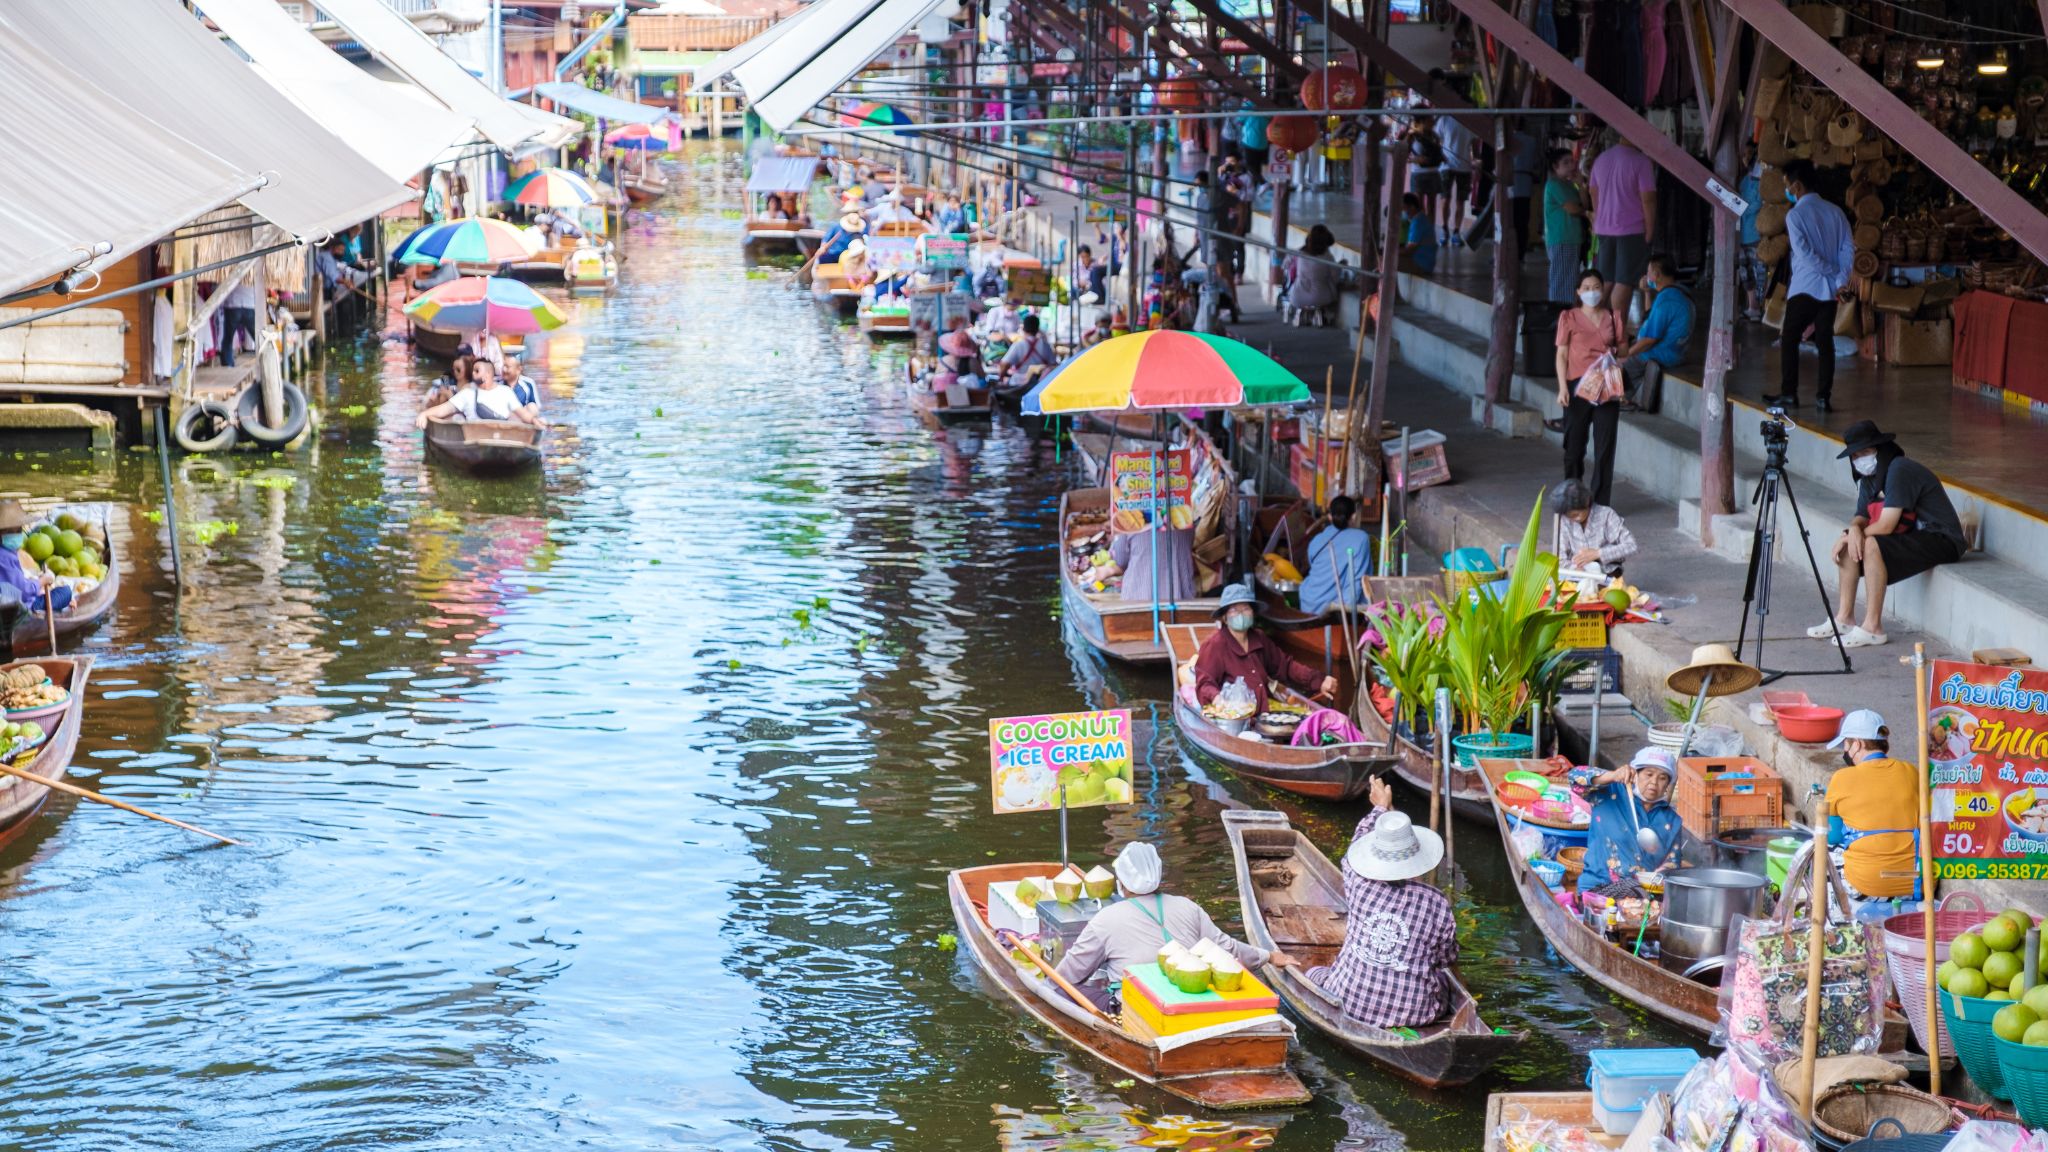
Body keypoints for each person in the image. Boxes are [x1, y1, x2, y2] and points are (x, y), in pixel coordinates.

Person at [1052, 842, 1295, 1012]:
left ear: (1121, 883)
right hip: (1192, 1001)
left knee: (1061, 990)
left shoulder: (1106, 919)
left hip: (1138, 1008)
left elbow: (1068, 975)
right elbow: (1227, 949)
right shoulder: (1187, 906)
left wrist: (1043, 986)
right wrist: (1270, 956)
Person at [1307, 777, 1456, 1028]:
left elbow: (1356, 841)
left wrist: (1380, 807)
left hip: (1350, 1003)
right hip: (1417, 1013)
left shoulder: (1358, 883)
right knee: (1442, 981)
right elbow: (1446, 958)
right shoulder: (1436, 903)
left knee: (1313, 974)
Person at [1810, 421, 1966, 649]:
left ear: (1880, 449)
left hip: (1943, 538)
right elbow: (1861, 516)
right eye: (1855, 455)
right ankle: (1844, 619)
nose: (1860, 459)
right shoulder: (1868, 478)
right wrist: (1851, 530)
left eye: (1865, 452)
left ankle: (1873, 628)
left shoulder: (1898, 469)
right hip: (1914, 536)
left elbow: (1886, 525)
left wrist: (1850, 534)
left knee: (1871, 543)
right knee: (1851, 543)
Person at [1762, 160, 1856, 412]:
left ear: (1797, 185)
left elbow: (1805, 255)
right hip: (1828, 291)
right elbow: (1848, 249)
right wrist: (1839, 278)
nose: (1787, 190)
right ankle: (1823, 396)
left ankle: (1789, 393)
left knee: (1790, 339)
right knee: (1825, 344)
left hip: (1804, 288)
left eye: (1787, 186)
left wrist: (1833, 271)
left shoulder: (1795, 215)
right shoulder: (1836, 212)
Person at [1818, 710, 1922, 905]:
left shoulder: (1842, 778)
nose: (1845, 751)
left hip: (1866, 888)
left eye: (1846, 745)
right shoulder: (1911, 771)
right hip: (1917, 884)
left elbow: (1833, 837)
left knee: (1822, 850)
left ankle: (1838, 914)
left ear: (1857, 744)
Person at [1194, 584, 1338, 714]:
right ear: (1225, 617)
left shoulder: (1259, 637)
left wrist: (1319, 680)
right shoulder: (1215, 645)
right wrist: (1219, 699)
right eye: (1234, 610)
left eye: (1245, 608)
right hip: (1234, 716)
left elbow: (1286, 666)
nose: (1241, 614)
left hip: (1264, 711)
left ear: (1253, 613)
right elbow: (1205, 684)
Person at [1554, 268, 1627, 505]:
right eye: (1586, 288)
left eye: (1596, 287)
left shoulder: (1614, 317)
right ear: (1578, 292)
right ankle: (1572, 498)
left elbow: (1624, 350)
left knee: (1605, 448)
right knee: (1574, 447)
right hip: (1578, 388)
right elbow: (1562, 355)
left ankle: (1600, 502)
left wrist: (1614, 353)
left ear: (1603, 289)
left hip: (1607, 387)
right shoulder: (1569, 317)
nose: (1592, 292)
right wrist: (1562, 387)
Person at [1570, 748, 1685, 892]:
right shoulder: (1609, 793)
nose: (1654, 782)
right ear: (1635, 774)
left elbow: (1672, 864)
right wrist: (1611, 775)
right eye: (1648, 774)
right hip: (1597, 889)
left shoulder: (1672, 821)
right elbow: (1575, 778)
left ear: (1668, 785)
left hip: (1642, 895)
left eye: (1662, 778)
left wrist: (1657, 878)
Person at [1585, 129, 1658, 318]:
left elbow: (1593, 192)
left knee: (1607, 279)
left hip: (1604, 229)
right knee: (1623, 281)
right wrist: (1649, 230)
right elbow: (1648, 199)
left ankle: (1596, 324)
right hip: (1631, 229)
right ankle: (1618, 330)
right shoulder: (1641, 162)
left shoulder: (1601, 159)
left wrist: (1600, 217)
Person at [1619, 254, 1694, 414]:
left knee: (1625, 361)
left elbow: (1650, 340)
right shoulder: (1674, 292)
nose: (1646, 276)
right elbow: (1650, 316)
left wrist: (1626, 354)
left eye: (1649, 272)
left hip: (1665, 353)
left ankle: (1620, 398)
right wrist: (1646, 293)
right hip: (1674, 351)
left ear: (1657, 275)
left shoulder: (1667, 301)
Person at [1298, 495, 1372, 615]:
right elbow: (1358, 579)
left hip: (1308, 602)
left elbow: (1313, 565)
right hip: (1333, 609)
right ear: (1354, 516)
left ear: (1329, 517)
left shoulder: (1317, 540)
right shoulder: (1361, 538)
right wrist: (1348, 609)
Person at [414, 359, 538, 428]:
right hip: (474, 436)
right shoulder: (468, 393)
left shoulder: (505, 392)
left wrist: (535, 421)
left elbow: (523, 414)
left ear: (488, 374)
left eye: (477, 371)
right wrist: (424, 414)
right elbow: (444, 409)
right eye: (473, 370)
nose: (473, 374)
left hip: (501, 437)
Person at [1552, 479, 1637, 577]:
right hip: (1576, 574)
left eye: (1576, 515)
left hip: (1607, 573)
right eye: (1569, 516)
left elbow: (1631, 546)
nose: (1573, 520)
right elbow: (1559, 557)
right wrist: (1575, 568)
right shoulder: (1565, 520)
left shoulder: (1606, 515)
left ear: (1587, 502)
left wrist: (1598, 554)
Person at [0, 502, 72, 616]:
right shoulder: (6, 556)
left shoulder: (6, 553)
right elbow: (23, 592)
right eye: (9, 532)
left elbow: (12, 583)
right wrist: (44, 580)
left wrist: (37, 585)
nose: (15, 535)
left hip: (9, 599)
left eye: (18, 531)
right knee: (65, 592)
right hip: (18, 608)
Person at [1543, 149, 1588, 303]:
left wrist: (1581, 185)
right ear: (1555, 166)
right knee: (1561, 281)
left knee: (1570, 280)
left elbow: (1584, 204)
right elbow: (1574, 209)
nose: (1571, 165)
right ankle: (1558, 316)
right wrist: (1586, 213)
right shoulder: (1554, 185)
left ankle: (1566, 316)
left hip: (1572, 238)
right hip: (1561, 239)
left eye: (1572, 161)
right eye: (1566, 162)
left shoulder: (1569, 185)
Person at [1284, 224, 1342, 328]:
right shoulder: (1328, 257)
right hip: (1320, 298)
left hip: (1297, 297)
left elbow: (1285, 265)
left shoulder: (1299, 253)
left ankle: (1301, 315)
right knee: (1332, 287)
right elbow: (1335, 277)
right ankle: (1327, 315)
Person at [1436, 113, 1478, 245]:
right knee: (1445, 198)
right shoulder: (1445, 119)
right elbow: (1436, 139)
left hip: (1465, 166)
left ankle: (1456, 232)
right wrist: (1441, 156)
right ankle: (1444, 229)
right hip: (1446, 165)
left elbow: (1474, 145)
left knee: (1461, 201)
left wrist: (1476, 161)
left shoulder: (1470, 121)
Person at [1509, 126, 1544, 262]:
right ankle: (1520, 253)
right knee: (1523, 222)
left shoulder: (1509, 139)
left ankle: (1510, 252)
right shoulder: (1532, 141)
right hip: (1525, 184)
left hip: (1510, 184)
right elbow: (1536, 162)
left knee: (1509, 220)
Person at [997, 314, 1059, 382]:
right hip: (1040, 385)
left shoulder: (1018, 345)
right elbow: (1054, 365)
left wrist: (1001, 378)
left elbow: (1004, 364)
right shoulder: (1045, 345)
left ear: (1023, 328)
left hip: (1018, 385)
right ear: (1037, 329)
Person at [220, 278, 260, 369]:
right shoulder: (252, 275)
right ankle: (265, 358)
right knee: (257, 337)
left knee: (228, 338)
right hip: (249, 305)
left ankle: (228, 364)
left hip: (233, 305)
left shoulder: (229, 273)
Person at [1399, 193, 1437, 276]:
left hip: (1421, 265)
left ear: (1412, 207)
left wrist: (1391, 251)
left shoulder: (1418, 223)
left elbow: (1408, 251)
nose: (1402, 211)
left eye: (1403, 208)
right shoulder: (1419, 219)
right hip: (1422, 262)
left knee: (1386, 261)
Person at [502, 356, 546, 427]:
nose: (504, 369)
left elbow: (535, 407)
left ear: (518, 369)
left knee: (532, 406)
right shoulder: (498, 384)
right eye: (503, 366)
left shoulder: (528, 383)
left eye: (507, 367)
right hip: (504, 418)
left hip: (523, 419)